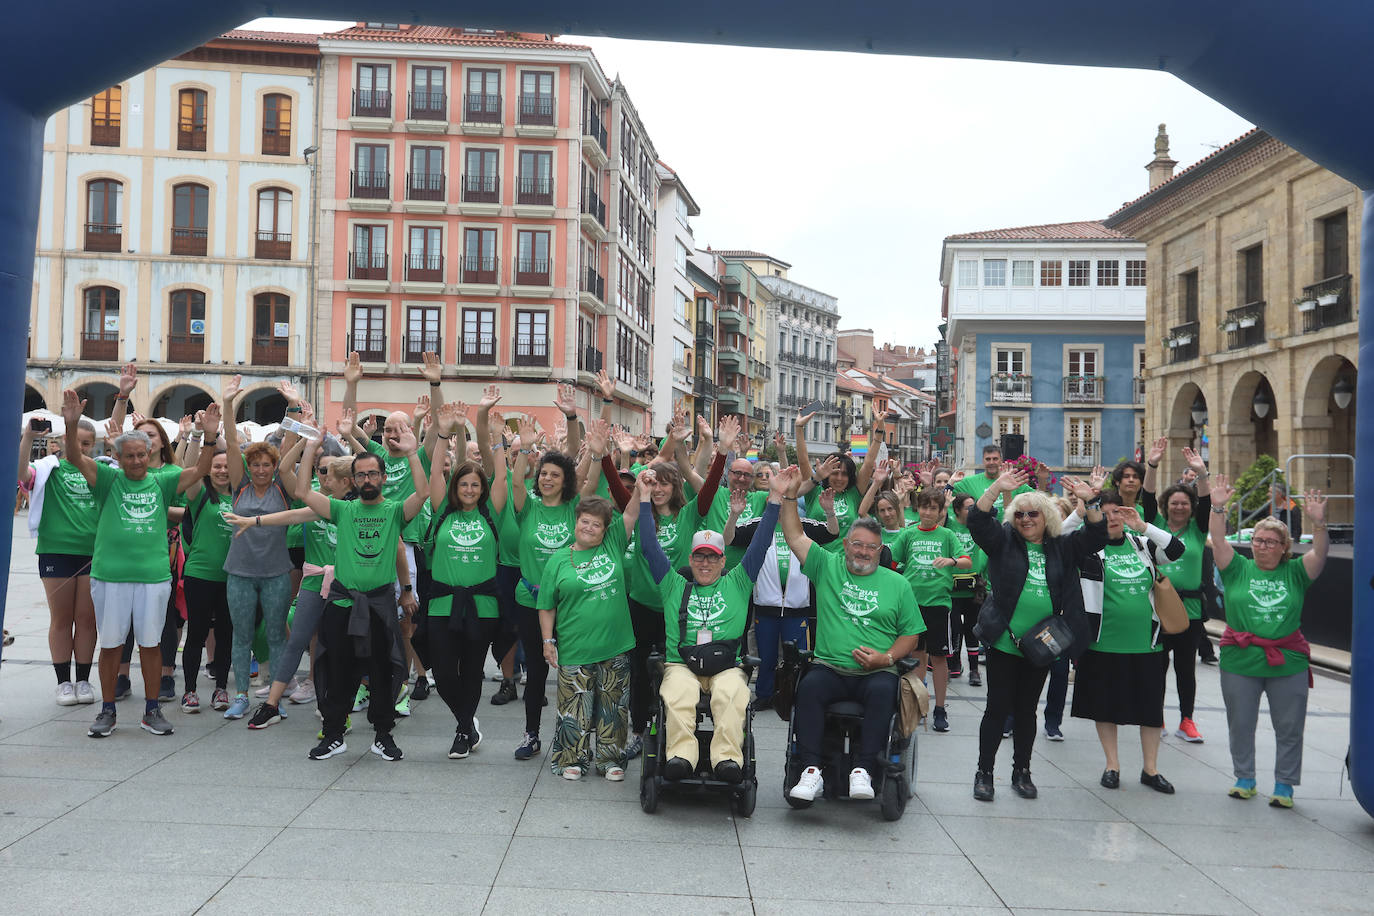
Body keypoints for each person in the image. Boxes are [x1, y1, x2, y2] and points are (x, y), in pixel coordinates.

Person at [234, 430, 429, 760]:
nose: (367, 479)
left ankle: (383, 735)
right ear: (354, 479)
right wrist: (310, 446)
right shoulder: (342, 510)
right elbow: (301, 492)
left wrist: (412, 453)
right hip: (341, 602)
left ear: (382, 478)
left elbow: (423, 493)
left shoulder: (395, 511)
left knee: (383, 672)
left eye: (372, 474)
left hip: (380, 604)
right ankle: (334, 734)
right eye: (361, 474)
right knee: (337, 671)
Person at [59, 390, 217, 738]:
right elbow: (73, 457)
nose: (136, 462)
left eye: (141, 455)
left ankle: (151, 710)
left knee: (151, 645)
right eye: (129, 456)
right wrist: (71, 425)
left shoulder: (162, 480)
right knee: (112, 644)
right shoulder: (107, 479)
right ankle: (107, 710)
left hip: (153, 577)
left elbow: (202, 469)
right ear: (116, 456)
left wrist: (210, 435)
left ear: (150, 454)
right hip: (110, 577)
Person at [777, 467, 924, 803]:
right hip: (830, 667)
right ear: (846, 545)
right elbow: (795, 536)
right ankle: (811, 770)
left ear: (879, 550)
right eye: (857, 545)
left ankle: (864, 769)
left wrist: (885, 658)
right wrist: (788, 497)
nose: (863, 552)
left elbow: (911, 636)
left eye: (870, 547)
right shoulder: (827, 566)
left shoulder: (898, 585)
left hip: (877, 671)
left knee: (883, 691)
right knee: (810, 687)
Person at [967, 467, 1105, 801]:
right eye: (1021, 514)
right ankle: (984, 772)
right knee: (997, 709)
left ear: (1047, 518)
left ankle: (1022, 771)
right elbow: (977, 523)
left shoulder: (1062, 547)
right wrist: (996, 490)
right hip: (1004, 641)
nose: (1027, 519)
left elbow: (1098, 535)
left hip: (1042, 644)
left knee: (1028, 710)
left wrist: (1091, 501)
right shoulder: (1003, 542)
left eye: (1034, 514)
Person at [637, 465, 782, 782]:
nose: (705, 563)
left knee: (731, 693)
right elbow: (649, 546)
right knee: (677, 692)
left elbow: (760, 544)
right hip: (681, 664)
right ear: (690, 560)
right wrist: (644, 499)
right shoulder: (674, 585)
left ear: (722, 560)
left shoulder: (738, 582)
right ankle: (681, 757)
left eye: (712, 557)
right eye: (699, 557)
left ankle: (726, 759)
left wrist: (774, 499)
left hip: (726, 665)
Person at [1208, 474, 1327, 808]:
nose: (1262, 545)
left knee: (1289, 727)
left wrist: (1319, 523)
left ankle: (1285, 785)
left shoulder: (1296, 572)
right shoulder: (1237, 569)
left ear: (1283, 547)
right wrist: (1218, 506)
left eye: (1270, 541)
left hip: (1287, 660)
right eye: (1258, 540)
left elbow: (1321, 552)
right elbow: (1217, 540)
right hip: (1240, 659)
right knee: (1241, 723)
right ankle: (1244, 778)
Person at [1071, 491, 1185, 794]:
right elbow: (1058, 538)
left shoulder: (1141, 545)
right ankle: (1112, 765)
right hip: (1102, 643)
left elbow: (1176, 549)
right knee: (1105, 707)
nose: (1112, 518)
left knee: (1150, 709)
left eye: (1116, 512)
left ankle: (1151, 769)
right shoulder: (1088, 549)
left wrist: (1144, 526)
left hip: (1146, 644)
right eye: (1105, 512)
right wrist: (1084, 510)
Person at [246, 452, 356, 730]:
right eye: (321, 471)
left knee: (340, 648)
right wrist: (255, 521)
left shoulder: (356, 509)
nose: (323, 477)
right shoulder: (321, 503)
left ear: (345, 481)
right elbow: (294, 513)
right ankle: (271, 704)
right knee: (297, 641)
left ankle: (335, 705)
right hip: (313, 580)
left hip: (346, 586)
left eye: (328, 473)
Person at [536, 487, 637, 781]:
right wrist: (547, 641)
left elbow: (631, 513)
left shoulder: (613, 544)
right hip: (575, 647)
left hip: (615, 645)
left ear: (606, 529)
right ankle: (573, 759)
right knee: (573, 708)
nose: (590, 527)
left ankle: (610, 759)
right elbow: (546, 606)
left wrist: (641, 487)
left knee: (614, 708)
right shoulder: (557, 560)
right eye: (585, 521)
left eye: (597, 524)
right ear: (576, 522)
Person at [218, 377, 304, 719]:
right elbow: (228, 442)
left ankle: (275, 699)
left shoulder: (281, 485)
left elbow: (293, 440)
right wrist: (228, 405)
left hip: (276, 573)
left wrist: (293, 406)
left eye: (266, 464)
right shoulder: (239, 485)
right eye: (255, 464)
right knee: (241, 636)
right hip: (238, 572)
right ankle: (240, 695)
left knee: (276, 635)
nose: (261, 469)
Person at [425, 400, 507, 758]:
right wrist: (443, 433)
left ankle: (462, 731)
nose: (470, 489)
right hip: (443, 604)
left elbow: (502, 477)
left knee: (473, 671)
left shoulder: (491, 513)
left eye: (475, 484)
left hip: (483, 606)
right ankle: (467, 720)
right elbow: (433, 473)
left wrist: (499, 440)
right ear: (455, 487)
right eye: (464, 484)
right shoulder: (443, 510)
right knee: (443, 673)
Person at [725, 475, 839, 711]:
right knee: (766, 657)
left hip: (798, 607)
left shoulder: (804, 526)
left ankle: (795, 695)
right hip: (766, 606)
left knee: (796, 657)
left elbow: (832, 533)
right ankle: (765, 695)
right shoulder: (759, 525)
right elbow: (730, 538)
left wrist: (829, 512)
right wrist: (734, 515)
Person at [510, 407, 585, 761]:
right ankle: (531, 734)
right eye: (543, 474)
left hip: (570, 603)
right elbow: (514, 482)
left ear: (565, 479)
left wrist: (572, 419)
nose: (547, 479)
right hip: (530, 599)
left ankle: (572, 735)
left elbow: (585, 468)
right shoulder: (529, 506)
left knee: (572, 671)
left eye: (555, 475)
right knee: (537, 672)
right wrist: (524, 451)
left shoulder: (574, 508)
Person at [19, 414, 100, 706]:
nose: (83, 447)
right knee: (62, 618)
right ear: (64, 441)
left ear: (94, 445)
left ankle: (83, 681)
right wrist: (29, 437)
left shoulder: (98, 470)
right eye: (78, 441)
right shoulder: (48, 468)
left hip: (93, 553)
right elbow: (21, 474)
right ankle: (63, 682)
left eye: (88, 443)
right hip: (56, 551)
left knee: (87, 619)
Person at [1142, 438, 1213, 742]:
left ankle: (1187, 720)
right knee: (1157, 668)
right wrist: (1152, 464)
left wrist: (1202, 474)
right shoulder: (1156, 525)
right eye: (1175, 503)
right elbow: (1146, 497)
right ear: (1166, 506)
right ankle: (1155, 720)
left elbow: (1207, 503)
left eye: (1185, 503)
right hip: (1157, 608)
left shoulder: (1198, 530)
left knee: (1186, 669)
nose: (1180, 506)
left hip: (1191, 612)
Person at [890, 486, 970, 733]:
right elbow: (890, 561)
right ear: (918, 508)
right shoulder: (909, 534)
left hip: (938, 604)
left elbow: (966, 561)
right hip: (913, 605)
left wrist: (952, 561)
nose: (927, 512)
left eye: (933, 508)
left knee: (939, 657)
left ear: (940, 511)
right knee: (915, 656)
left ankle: (940, 708)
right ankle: (917, 704)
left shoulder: (946, 535)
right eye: (924, 507)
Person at [178, 444, 238, 713]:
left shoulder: (242, 497)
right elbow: (189, 469)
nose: (223, 471)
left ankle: (221, 689)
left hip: (233, 576)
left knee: (226, 634)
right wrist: (199, 437)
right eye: (217, 466)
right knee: (197, 633)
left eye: (227, 466)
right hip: (200, 574)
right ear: (208, 471)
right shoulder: (199, 493)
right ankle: (190, 691)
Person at [944, 493, 986, 688]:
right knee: (954, 628)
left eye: (973, 506)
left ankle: (974, 670)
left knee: (972, 629)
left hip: (973, 588)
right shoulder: (950, 524)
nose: (972, 510)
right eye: (968, 507)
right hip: (952, 589)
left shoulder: (977, 525)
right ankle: (953, 662)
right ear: (957, 510)